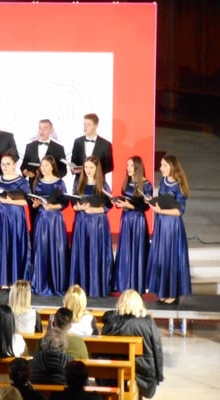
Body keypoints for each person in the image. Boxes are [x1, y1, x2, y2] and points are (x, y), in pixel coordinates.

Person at [146, 154, 191, 304]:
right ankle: (163, 291)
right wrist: (152, 202)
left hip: (172, 226)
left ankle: (172, 293)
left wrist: (161, 211)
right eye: (161, 165)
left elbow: (179, 211)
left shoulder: (179, 185)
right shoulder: (162, 181)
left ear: (172, 167)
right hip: (161, 224)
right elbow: (161, 201)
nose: (161, 168)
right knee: (162, 257)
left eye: (164, 165)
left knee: (171, 258)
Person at [102, 290, 164, 398]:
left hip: (116, 372)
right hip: (144, 371)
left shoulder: (113, 324)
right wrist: (159, 375)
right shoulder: (148, 323)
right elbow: (157, 348)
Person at [69, 156, 113, 297]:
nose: (88, 170)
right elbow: (73, 202)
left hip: (97, 224)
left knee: (95, 253)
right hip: (82, 223)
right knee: (82, 252)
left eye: (91, 167)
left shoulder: (103, 185)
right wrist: (78, 207)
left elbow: (108, 206)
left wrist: (93, 209)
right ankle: (81, 287)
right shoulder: (79, 182)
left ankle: (96, 287)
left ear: (97, 169)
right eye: (86, 167)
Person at [0, 151, 31, 286]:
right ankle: (3, 279)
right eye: (3, 164)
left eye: (8, 164)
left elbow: (26, 201)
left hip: (16, 218)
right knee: (2, 245)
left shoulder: (21, 181)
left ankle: (16, 278)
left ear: (14, 165)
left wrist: (10, 201)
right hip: (1, 218)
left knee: (15, 245)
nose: (5, 167)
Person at [29, 155, 69, 296]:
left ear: (52, 166)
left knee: (56, 249)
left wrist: (52, 206)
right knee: (42, 249)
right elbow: (34, 203)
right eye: (42, 165)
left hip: (55, 220)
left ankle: (57, 283)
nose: (43, 168)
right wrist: (35, 204)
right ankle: (41, 283)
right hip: (42, 219)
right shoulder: (38, 183)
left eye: (46, 165)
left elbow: (64, 203)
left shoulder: (60, 183)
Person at [113, 156, 153, 293]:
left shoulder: (146, 185)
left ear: (138, 167)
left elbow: (145, 207)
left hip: (137, 221)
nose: (128, 168)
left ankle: (137, 284)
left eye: (131, 166)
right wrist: (119, 203)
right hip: (126, 220)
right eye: (127, 165)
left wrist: (129, 205)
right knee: (126, 250)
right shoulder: (128, 181)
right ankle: (124, 282)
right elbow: (126, 198)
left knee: (137, 251)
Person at [70, 113, 113, 178]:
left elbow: (110, 167)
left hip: (98, 181)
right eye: (84, 124)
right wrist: (74, 169)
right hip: (80, 181)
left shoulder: (106, 144)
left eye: (88, 124)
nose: (85, 127)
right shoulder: (77, 142)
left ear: (96, 126)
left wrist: (95, 172)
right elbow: (73, 162)